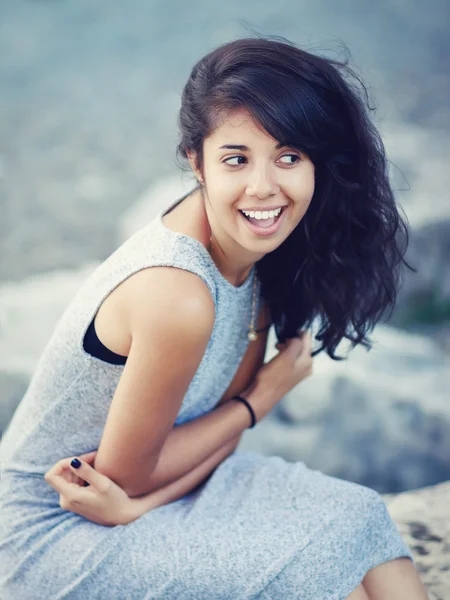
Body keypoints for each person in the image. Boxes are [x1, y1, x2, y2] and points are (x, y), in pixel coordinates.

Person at [0, 35, 428, 600]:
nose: (263, 187)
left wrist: (146, 500)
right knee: (313, 570)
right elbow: (122, 481)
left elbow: (183, 453)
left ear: (318, 164)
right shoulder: (178, 293)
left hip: (147, 493)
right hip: (49, 535)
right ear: (195, 162)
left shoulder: (261, 255)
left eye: (289, 156)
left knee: (363, 519)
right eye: (236, 159)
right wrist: (263, 398)